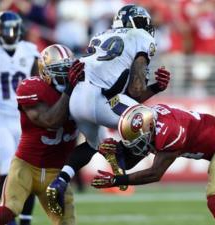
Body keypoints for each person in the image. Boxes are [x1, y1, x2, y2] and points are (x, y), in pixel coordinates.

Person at [46, 4, 171, 215]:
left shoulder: (101, 35)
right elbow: (136, 91)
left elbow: (120, 87)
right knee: (154, 120)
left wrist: (153, 88)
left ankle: (60, 180)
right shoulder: (141, 36)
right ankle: (121, 163)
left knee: (93, 144)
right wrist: (155, 88)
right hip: (103, 99)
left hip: (77, 97)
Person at [0, 44, 84, 225]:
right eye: (58, 70)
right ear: (45, 72)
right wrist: (69, 91)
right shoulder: (31, 88)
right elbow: (50, 121)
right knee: (8, 210)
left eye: (67, 69)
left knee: (65, 222)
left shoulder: (82, 91)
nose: (64, 74)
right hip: (26, 167)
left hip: (56, 178)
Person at [0, 11, 38, 225]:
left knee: (28, 171)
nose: (10, 34)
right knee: (6, 170)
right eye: (6, 29)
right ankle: (7, 218)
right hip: (1, 118)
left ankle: (25, 219)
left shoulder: (30, 51)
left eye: (13, 29)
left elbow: (38, 80)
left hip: (25, 118)